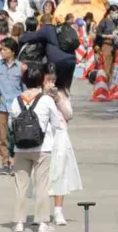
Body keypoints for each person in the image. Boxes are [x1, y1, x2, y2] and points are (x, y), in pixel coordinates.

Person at [8, 64, 67, 232]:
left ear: (24, 81)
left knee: (21, 186)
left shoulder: (16, 100)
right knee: (42, 186)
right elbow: (57, 124)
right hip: (43, 148)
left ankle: (18, 223)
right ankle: (43, 223)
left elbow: (12, 125)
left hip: (21, 149)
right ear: (41, 80)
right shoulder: (47, 100)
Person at [45, 64, 81, 227]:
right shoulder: (36, 93)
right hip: (43, 137)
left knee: (60, 172)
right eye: (48, 79)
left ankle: (58, 211)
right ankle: (42, 211)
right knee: (43, 174)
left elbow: (69, 114)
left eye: (53, 79)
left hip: (60, 134)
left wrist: (57, 99)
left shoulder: (62, 93)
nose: (51, 82)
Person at [0, 37, 24, 173]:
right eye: (0, 49)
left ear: (12, 51)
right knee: (2, 137)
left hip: (17, 108)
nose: (1, 51)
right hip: (0, 106)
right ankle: (6, 162)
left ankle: (14, 161)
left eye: (4, 49)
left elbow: (24, 88)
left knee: (15, 136)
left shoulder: (21, 67)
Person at [16, 13, 77, 91]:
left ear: (41, 24)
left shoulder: (46, 29)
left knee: (53, 88)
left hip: (58, 62)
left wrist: (19, 37)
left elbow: (29, 37)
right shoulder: (58, 29)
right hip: (72, 60)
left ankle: (51, 102)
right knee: (65, 89)